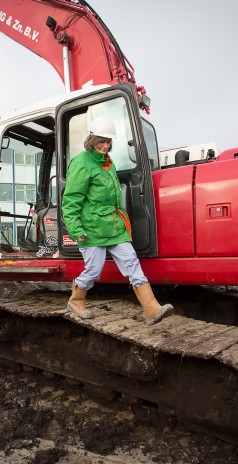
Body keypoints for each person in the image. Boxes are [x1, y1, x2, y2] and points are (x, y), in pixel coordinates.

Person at [62, 116, 174, 325]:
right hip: (92, 227)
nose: (105, 146)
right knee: (94, 270)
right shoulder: (81, 163)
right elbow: (71, 201)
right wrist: (76, 229)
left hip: (114, 225)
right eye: (101, 141)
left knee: (131, 261)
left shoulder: (108, 164)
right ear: (91, 140)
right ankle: (76, 301)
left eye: (108, 142)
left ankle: (152, 308)